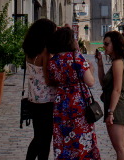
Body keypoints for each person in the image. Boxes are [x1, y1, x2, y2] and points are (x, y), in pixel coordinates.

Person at [46, 26, 101, 159]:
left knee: (63, 137)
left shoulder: (53, 61)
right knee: (81, 136)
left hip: (61, 103)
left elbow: (51, 80)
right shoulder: (77, 58)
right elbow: (90, 82)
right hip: (78, 102)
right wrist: (91, 69)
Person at [22, 18, 57, 160]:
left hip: (33, 99)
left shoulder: (30, 51)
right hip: (46, 101)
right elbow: (48, 80)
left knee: (38, 136)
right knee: (45, 138)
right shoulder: (45, 52)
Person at [95, 31, 124, 160]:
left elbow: (116, 89)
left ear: (115, 44)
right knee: (122, 146)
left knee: (120, 147)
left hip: (117, 106)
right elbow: (104, 84)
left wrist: (111, 112)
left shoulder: (118, 62)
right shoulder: (118, 61)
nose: (104, 46)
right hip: (118, 105)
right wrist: (100, 64)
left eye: (107, 44)